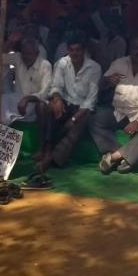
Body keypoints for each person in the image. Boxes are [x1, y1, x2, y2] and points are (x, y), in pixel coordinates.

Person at [91, 37, 138, 174]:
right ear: (130, 50)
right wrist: (108, 80)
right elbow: (101, 85)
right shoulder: (119, 63)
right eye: (136, 48)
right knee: (95, 118)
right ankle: (120, 154)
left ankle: (114, 157)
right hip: (119, 112)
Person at [37, 33, 102, 172]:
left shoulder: (94, 67)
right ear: (67, 50)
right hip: (66, 102)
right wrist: (57, 99)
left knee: (78, 125)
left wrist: (74, 118)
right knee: (49, 107)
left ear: (84, 51)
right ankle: (46, 150)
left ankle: (53, 159)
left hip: (83, 108)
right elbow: (56, 86)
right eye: (71, 50)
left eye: (78, 50)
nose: (75, 53)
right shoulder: (62, 63)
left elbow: (91, 99)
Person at [3, 38, 53, 124]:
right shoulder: (18, 57)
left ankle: (41, 135)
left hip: (34, 103)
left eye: (29, 54)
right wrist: (10, 40)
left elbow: (44, 93)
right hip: (17, 100)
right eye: (24, 53)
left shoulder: (45, 65)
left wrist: (27, 99)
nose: (26, 56)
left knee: (41, 106)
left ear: (37, 53)